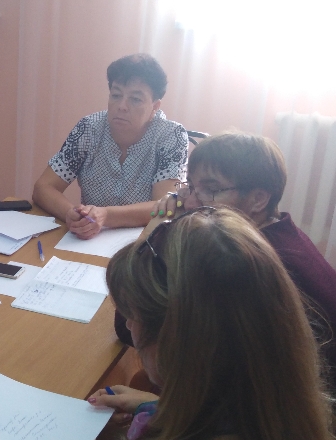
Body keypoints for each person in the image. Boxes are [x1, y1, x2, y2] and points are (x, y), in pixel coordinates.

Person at [0, 207, 335, 440]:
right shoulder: (278, 405)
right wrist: (163, 406)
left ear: (182, 344)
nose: (129, 326)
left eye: (133, 316)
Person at [122, 132, 336, 392]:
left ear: (258, 199)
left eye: (211, 190)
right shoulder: (278, 230)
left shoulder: (243, 262)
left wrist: (157, 227)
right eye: (190, 186)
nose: (189, 201)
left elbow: (135, 322)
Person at [32, 53, 188, 240]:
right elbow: (43, 187)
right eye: (116, 95)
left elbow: (164, 206)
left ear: (155, 106)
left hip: (144, 242)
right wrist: (71, 214)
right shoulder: (89, 128)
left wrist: (106, 216)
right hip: (89, 238)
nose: (121, 106)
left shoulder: (171, 135)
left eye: (135, 99)